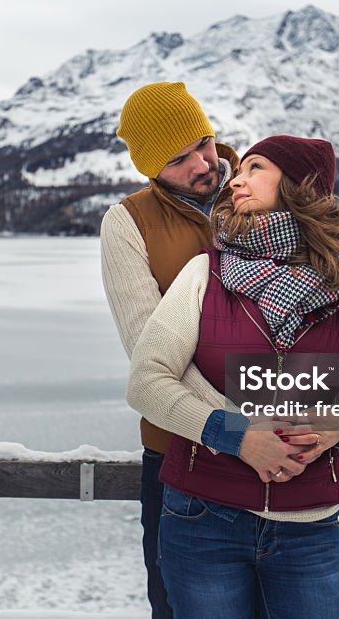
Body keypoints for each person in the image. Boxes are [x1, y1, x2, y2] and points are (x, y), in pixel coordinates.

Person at [127, 135, 339, 619]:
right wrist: (236, 435)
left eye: (255, 167)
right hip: (201, 515)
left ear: (301, 185)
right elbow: (147, 381)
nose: (235, 177)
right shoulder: (206, 273)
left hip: (308, 525)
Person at [101, 82, 274, 618]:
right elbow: (149, 350)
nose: (204, 163)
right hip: (180, 450)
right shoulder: (128, 223)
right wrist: (235, 429)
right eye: (180, 159)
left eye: (205, 142)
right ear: (150, 168)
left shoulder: (265, 189)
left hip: (282, 450)